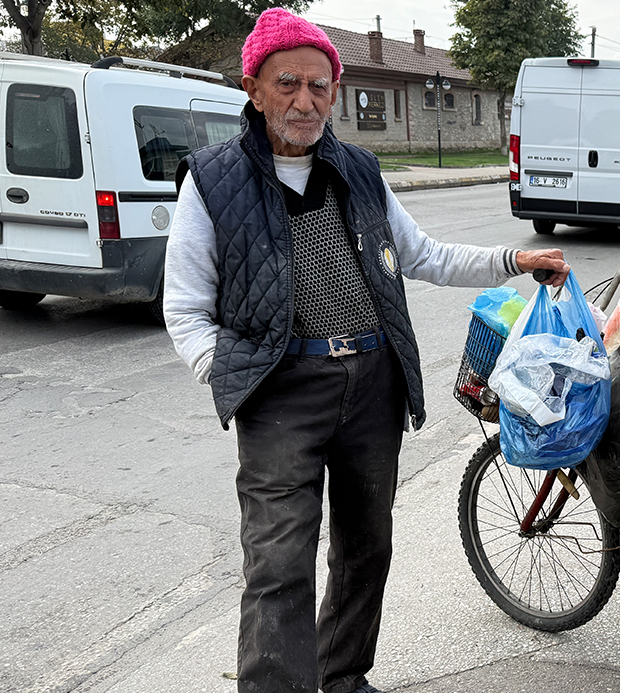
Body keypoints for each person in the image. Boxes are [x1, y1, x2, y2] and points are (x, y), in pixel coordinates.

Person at [162, 9, 570, 693]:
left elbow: (424, 255)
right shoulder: (211, 181)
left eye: (319, 85)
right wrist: (237, 378)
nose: (305, 100)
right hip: (280, 391)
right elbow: (185, 309)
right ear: (253, 89)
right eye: (287, 83)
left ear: (334, 92)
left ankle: (344, 677)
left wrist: (514, 259)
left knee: (366, 547)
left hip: (371, 382)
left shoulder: (358, 169)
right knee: (278, 563)